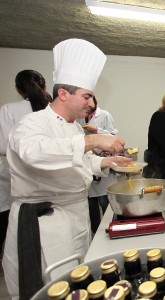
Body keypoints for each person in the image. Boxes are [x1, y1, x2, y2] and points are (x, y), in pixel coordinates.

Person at [2, 39, 132, 300]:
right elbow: (34, 153)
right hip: (45, 224)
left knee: (77, 283)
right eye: (86, 96)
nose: (91, 104)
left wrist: (105, 162)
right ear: (63, 94)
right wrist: (93, 140)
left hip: (75, 215)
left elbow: (76, 163)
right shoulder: (32, 123)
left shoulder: (72, 126)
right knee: (52, 289)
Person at [0, 70, 50, 257]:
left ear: (17, 89)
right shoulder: (49, 110)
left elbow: (4, 147)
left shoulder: (9, 110)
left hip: (21, 183)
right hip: (48, 184)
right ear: (44, 87)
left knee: (27, 242)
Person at [77, 96, 119, 233]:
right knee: (91, 206)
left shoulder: (105, 115)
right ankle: (96, 232)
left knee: (105, 202)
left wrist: (96, 131)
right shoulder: (78, 118)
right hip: (86, 162)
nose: (88, 104)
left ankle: (111, 229)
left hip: (102, 163)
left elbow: (114, 136)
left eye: (91, 100)